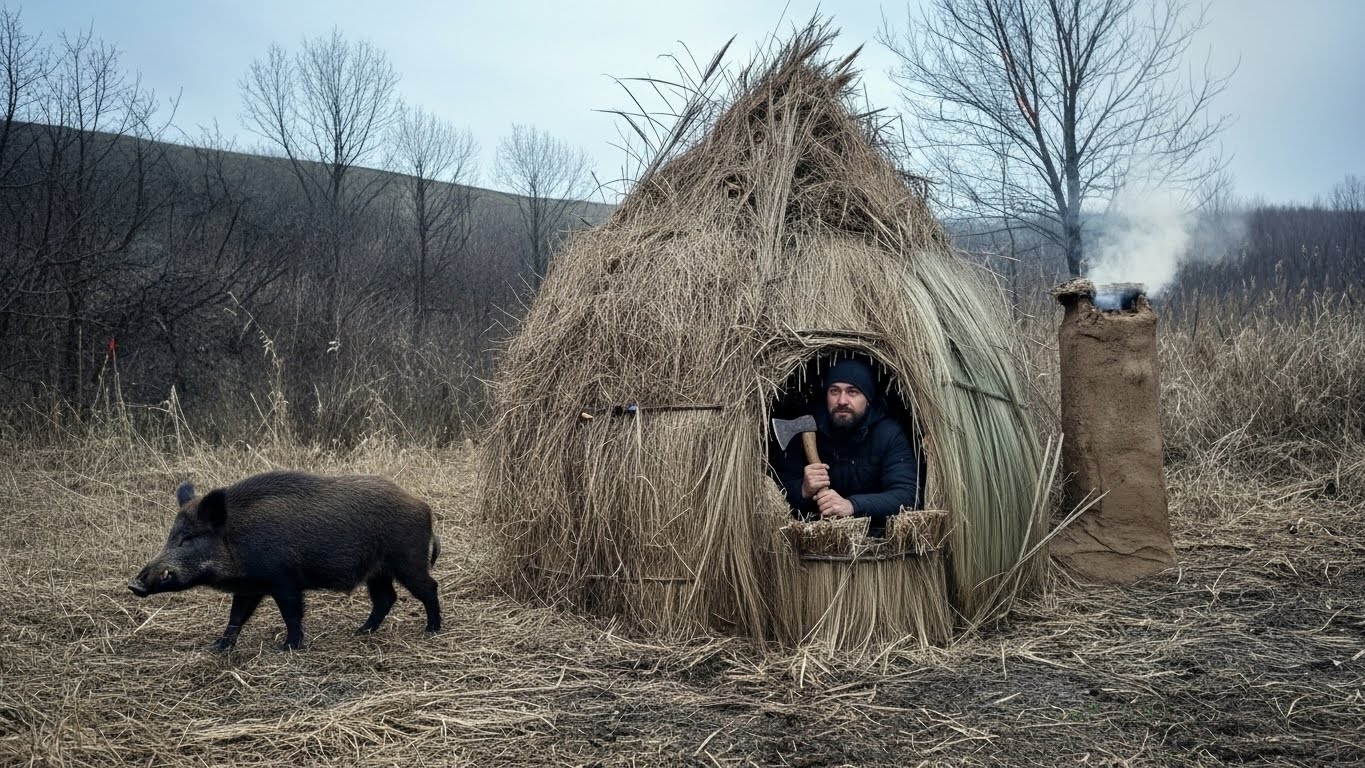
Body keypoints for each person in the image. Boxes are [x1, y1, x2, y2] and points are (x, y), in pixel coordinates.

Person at [776, 358, 921, 535]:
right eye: (834, 391)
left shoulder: (889, 435)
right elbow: (778, 489)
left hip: (873, 544)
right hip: (816, 541)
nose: (842, 400)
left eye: (852, 392)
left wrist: (852, 505)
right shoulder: (807, 431)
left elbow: (907, 496)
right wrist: (803, 489)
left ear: (868, 398)